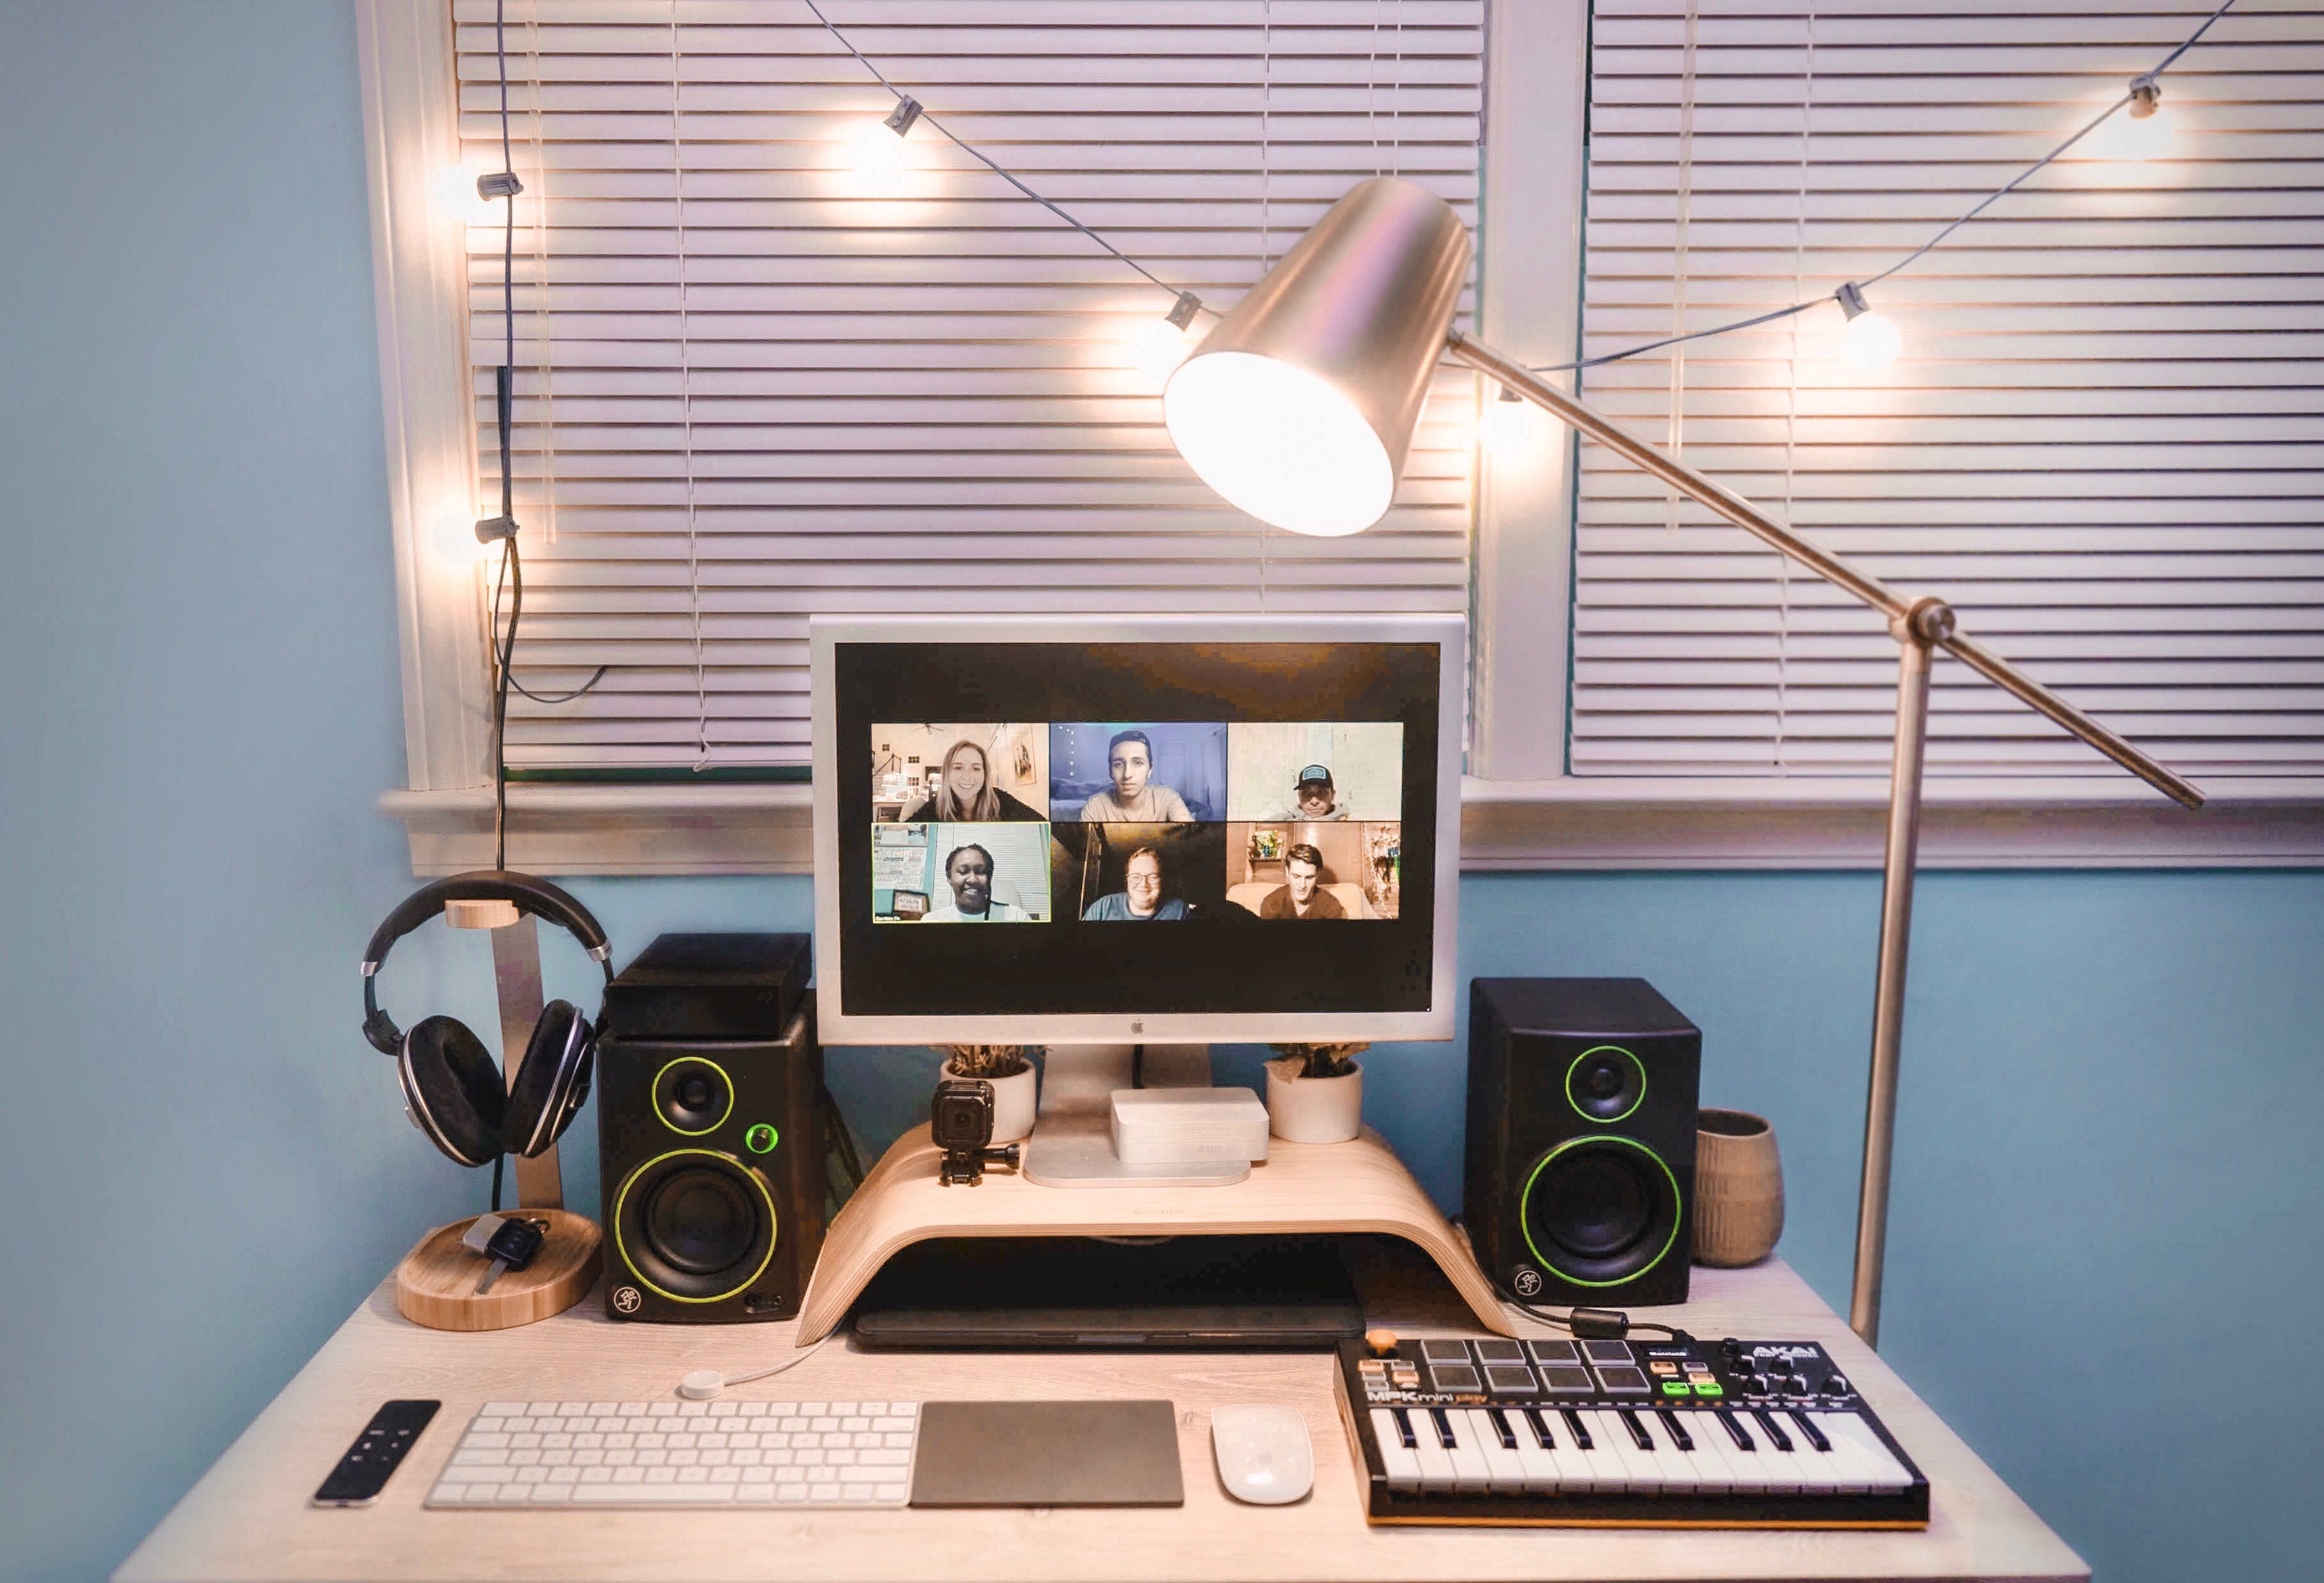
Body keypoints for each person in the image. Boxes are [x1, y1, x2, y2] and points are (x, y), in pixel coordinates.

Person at [900, 739, 1043, 823]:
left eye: (976, 768)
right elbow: (904, 833)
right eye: (958, 768)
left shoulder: (1001, 800)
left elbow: (1041, 824)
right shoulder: (935, 807)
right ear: (947, 775)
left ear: (985, 774)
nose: (967, 776)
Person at [1077, 729, 1195, 823]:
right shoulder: (1096, 806)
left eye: (1138, 763)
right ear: (1111, 772)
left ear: (1150, 770)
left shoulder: (1167, 797)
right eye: (1118, 764)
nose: (1127, 774)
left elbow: (1191, 839)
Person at [1081, 845, 1187, 921]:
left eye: (1153, 877)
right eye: (1136, 877)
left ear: (1162, 880)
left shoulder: (1180, 910)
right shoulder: (1103, 907)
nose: (1143, 884)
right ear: (1127, 879)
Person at [923, 843, 1022, 922]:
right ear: (949, 877)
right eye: (963, 871)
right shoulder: (932, 920)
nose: (973, 880)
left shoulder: (1017, 917)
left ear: (990, 876)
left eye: (981, 872)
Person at [1259, 843, 1345, 919]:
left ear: (1317, 874)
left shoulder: (1331, 906)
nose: (1302, 885)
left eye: (1309, 877)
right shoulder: (1271, 903)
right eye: (1296, 876)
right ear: (1287, 872)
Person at [1255, 764, 1348, 821]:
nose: (1314, 801)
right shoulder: (1284, 821)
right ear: (1299, 796)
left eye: (1321, 793)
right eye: (1307, 794)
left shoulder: (1348, 825)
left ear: (1332, 795)